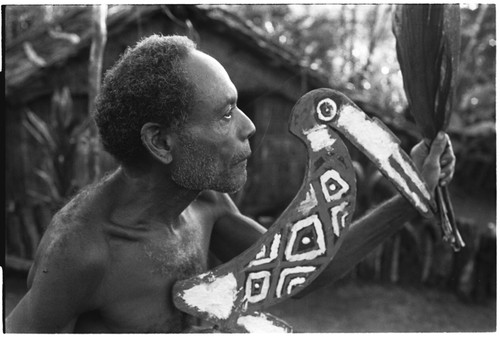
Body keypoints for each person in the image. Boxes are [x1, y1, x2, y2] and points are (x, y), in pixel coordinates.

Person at [6, 34, 456, 333]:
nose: (248, 126)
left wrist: (410, 193)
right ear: (161, 141)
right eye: (224, 114)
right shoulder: (82, 253)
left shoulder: (206, 204)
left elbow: (299, 271)